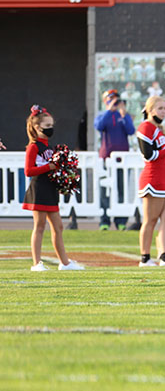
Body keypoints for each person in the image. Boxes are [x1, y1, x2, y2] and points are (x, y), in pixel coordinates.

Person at [22, 105, 84, 271]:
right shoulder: (33, 147)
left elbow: (53, 167)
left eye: (51, 126)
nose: (51, 129)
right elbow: (28, 171)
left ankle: (64, 263)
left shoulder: (49, 148)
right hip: (39, 189)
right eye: (47, 126)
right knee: (40, 226)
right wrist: (49, 167)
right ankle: (36, 263)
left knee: (58, 226)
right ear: (37, 127)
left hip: (50, 190)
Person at [136, 96, 165, 267]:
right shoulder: (145, 127)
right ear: (150, 109)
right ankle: (145, 258)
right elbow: (149, 155)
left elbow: (162, 154)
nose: (164, 111)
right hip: (152, 179)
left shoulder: (159, 129)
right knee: (150, 219)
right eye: (160, 108)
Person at [94, 88, 135, 230]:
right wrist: (109, 110)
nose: (115, 102)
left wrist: (124, 115)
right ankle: (104, 220)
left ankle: (121, 221)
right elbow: (99, 126)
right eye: (112, 99)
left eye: (117, 99)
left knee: (121, 189)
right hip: (106, 158)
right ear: (106, 101)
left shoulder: (123, 115)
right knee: (104, 190)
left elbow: (131, 131)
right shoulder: (102, 115)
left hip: (121, 160)